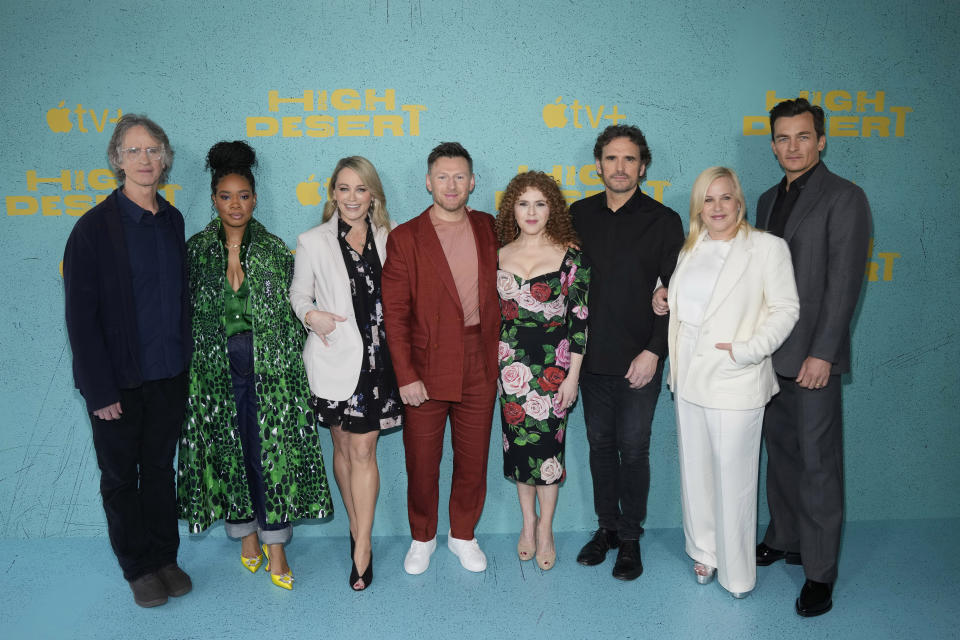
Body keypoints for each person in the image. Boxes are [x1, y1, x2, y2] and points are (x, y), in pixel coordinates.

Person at [177, 141, 333, 591]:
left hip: (269, 370)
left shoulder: (274, 250)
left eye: (243, 195)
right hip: (213, 370)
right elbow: (187, 314)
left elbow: (293, 313)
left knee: (270, 453)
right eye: (226, 196)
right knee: (229, 450)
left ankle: (277, 546)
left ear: (255, 198)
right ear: (213, 200)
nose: (235, 204)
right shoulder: (197, 251)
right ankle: (245, 537)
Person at [63, 114, 193, 607]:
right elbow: (80, 317)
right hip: (117, 384)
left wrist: (184, 365)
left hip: (167, 375)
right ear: (117, 160)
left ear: (165, 160)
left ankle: (164, 557)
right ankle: (137, 566)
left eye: (153, 150)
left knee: (160, 471)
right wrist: (99, 391)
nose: (145, 160)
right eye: (134, 151)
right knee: (121, 478)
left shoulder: (173, 220)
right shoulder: (94, 229)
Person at [655, 166, 799, 597]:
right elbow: (686, 300)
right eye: (708, 199)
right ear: (699, 206)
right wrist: (663, 295)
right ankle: (704, 551)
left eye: (725, 198)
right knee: (695, 471)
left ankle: (738, 573)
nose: (716, 207)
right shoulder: (690, 248)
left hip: (735, 378)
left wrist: (747, 351)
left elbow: (786, 309)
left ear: (739, 201)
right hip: (688, 376)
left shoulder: (767, 248)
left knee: (734, 479)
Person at [754, 98, 872, 617]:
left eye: (803, 137)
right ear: (773, 143)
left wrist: (824, 353)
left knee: (818, 463)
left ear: (821, 140)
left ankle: (820, 572)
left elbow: (845, 283)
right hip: (768, 354)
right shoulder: (762, 200)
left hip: (811, 359)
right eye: (783, 138)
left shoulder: (844, 197)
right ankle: (785, 537)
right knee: (780, 454)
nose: (792, 147)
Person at [570, 124, 684, 580]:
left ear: (643, 166)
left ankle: (631, 539)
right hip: (590, 360)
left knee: (634, 450)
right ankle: (607, 529)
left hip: (640, 360)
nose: (620, 167)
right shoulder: (576, 215)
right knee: (601, 447)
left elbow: (675, 295)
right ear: (598, 165)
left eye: (630, 159)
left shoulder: (664, 221)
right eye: (612, 159)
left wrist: (655, 352)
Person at [381, 142, 500, 575]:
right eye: (443, 176)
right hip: (425, 367)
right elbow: (393, 316)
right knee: (422, 461)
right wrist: (406, 375)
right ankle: (423, 537)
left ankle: (463, 535)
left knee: (473, 459)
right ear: (428, 182)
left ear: (473, 183)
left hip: (479, 362)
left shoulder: (490, 227)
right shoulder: (406, 237)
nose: (452, 185)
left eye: (460, 176)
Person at [290, 156, 402, 591]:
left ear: (373, 194)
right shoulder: (312, 240)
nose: (352, 197)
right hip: (334, 358)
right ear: (333, 193)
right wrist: (311, 315)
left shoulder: (392, 238)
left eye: (361, 189)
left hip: (380, 361)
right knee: (342, 448)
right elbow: (299, 293)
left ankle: (363, 547)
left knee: (363, 452)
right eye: (343, 188)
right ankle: (357, 526)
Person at [494, 171, 590, 571]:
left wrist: (573, 377)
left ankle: (546, 528)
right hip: (509, 366)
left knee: (548, 453)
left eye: (539, 203)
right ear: (511, 209)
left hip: (554, 370)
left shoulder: (571, 255)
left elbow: (581, 319)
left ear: (552, 208)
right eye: (522, 203)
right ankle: (527, 524)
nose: (531, 212)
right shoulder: (496, 253)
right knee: (520, 449)